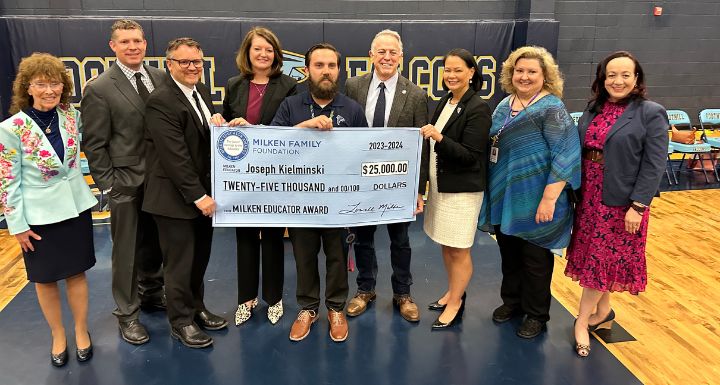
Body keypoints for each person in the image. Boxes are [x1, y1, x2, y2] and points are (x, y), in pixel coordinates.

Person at [564, 51, 669, 357]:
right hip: (590, 197)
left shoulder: (650, 112)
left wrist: (638, 206)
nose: (618, 80)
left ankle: (582, 321)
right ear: (603, 78)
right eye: (612, 75)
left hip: (622, 203)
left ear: (637, 79)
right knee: (597, 259)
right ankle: (604, 312)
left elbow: (655, 164)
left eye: (625, 75)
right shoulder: (594, 108)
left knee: (600, 261)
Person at [0, 53, 97, 366]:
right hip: (37, 218)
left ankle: (81, 330)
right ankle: (58, 334)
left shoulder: (71, 116)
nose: (49, 90)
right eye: (41, 84)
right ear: (28, 87)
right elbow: (7, 181)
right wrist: (17, 225)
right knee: (44, 280)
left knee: (76, 273)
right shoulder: (11, 128)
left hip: (75, 208)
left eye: (55, 83)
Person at [478, 46, 581, 339]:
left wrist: (549, 199)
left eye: (531, 72)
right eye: (519, 71)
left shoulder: (551, 108)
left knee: (535, 259)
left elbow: (566, 154)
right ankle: (512, 302)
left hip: (539, 197)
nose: (524, 76)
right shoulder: (503, 105)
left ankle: (536, 314)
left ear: (544, 76)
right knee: (509, 254)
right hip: (506, 195)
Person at [271, 43, 367, 342]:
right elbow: (272, 145)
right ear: (307, 69)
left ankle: (336, 308)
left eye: (331, 66)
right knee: (304, 256)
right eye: (319, 65)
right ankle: (308, 308)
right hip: (301, 201)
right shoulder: (291, 106)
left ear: (339, 70)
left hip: (338, 203)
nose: (326, 71)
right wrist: (305, 126)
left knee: (337, 256)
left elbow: (366, 152)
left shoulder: (351, 109)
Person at [81, 19, 166, 346]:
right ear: (112, 46)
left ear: (145, 44)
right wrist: (109, 185)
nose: (133, 46)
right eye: (125, 41)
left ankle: (152, 295)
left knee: (157, 245)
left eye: (138, 41)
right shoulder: (100, 88)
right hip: (125, 184)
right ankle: (127, 314)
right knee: (127, 252)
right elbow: (94, 142)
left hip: (161, 181)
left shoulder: (160, 77)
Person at [143, 37, 228, 349]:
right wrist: (199, 196)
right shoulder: (161, 100)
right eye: (185, 62)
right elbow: (174, 156)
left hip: (201, 196)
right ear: (170, 65)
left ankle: (197, 308)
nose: (193, 67)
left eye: (197, 61)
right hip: (173, 200)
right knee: (179, 264)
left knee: (199, 259)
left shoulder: (201, 92)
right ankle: (181, 323)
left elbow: (203, 140)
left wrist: (218, 124)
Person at [344, 29, 428, 323]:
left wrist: (418, 189)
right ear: (371, 56)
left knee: (401, 241)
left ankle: (402, 293)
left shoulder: (416, 94)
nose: (387, 57)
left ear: (401, 58)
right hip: (361, 182)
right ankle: (365, 289)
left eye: (393, 52)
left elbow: (422, 146)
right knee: (363, 239)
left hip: (398, 184)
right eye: (381, 51)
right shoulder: (353, 86)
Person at [221, 26, 297, 326]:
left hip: (275, 174)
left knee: (275, 237)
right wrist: (224, 123)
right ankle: (246, 298)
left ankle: (274, 298)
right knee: (246, 237)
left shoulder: (290, 85)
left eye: (269, 49)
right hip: (241, 176)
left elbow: (291, 130)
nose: (263, 54)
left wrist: (255, 131)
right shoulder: (234, 85)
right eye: (258, 49)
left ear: (276, 55)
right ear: (247, 53)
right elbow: (226, 125)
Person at [418, 48, 492, 329]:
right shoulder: (446, 101)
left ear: (472, 73)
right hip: (441, 186)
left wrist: (439, 136)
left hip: (462, 191)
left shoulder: (478, 108)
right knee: (447, 246)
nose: (451, 75)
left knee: (459, 249)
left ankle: (457, 302)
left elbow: (471, 156)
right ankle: (452, 290)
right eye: (447, 69)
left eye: (458, 70)